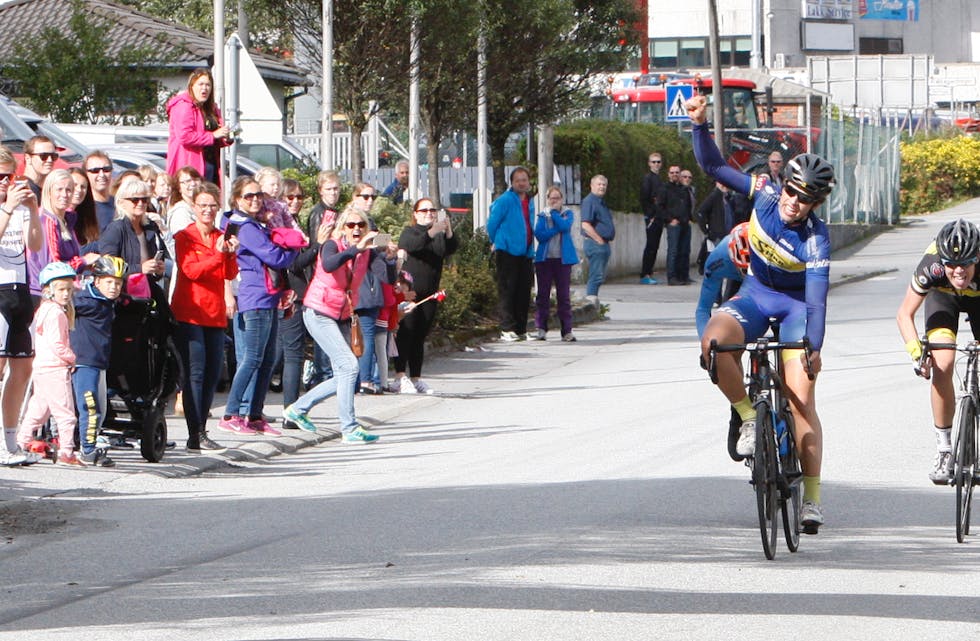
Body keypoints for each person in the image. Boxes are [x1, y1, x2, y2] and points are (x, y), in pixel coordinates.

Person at [688, 93, 835, 533]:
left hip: (795, 309)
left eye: (805, 198)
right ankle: (749, 417)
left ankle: (812, 499)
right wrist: (699, 124)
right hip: (754, 295)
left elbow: (816, 301)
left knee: (802, 398)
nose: (794, 202)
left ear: (815, 204)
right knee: (715, 343)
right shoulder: (766, 195)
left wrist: (813, 347)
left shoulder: (816, 239)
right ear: (782, 185)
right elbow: (714, 167)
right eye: (792, 191)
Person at [282, 207, 394, 443]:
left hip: (341, 314)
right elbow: (330, 264)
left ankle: (298, 409)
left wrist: (392, 258)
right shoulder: (332, 245)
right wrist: (356, 249)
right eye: (351, 225)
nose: (356, 229)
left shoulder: (368, 253)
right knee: (350, 367)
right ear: (342, 228)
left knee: (346, 373)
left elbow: (388, 278)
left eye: (361, 225)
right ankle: (349, 428)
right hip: (319, 311)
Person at [896, 219, 980, 485]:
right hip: (943, 299)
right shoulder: (931, 266)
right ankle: (944, 449)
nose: (959, 271)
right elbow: (904, 314)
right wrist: (917, 353)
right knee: (943, 364)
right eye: (951, 264)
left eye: (966, 263)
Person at [219, 177, 298, 436]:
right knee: (252, 358)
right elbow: (273, 256)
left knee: (267, 359)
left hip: (269, 296)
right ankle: (231, 413)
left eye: (258, 195)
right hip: (254, 298)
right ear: (236, 199)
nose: (255, 200)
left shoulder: (255, 224)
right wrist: (296, 247)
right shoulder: (245, 227)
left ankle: (254, 415)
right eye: (248, 196)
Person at [172, 183, 239, 452]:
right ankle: (195, 432)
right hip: (189, 312)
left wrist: (230, 254)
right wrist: (219, 255)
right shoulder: (184, 237)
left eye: (212, 205)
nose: (208, 210)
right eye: (203, 205)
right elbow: (191, 271)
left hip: (214, 313)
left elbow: (229, 274)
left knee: (212, 375)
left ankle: (201, 431)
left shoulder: (220, 236)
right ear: (194, 207)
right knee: (195, 374)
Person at [0, 145, 42, 466]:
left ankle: (11, 441)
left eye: (9, 176)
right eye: (0, 176)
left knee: (22, 369)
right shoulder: (6, 207)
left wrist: (33, 211)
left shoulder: (19, 205)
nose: (5, 182)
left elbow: (35, 245)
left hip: (20, 290)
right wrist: (8, 209)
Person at [17, 262, 81, 465]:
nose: (66, 294)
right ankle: (67, 452)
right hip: (55, 368)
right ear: (50, 290)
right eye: (61, 289)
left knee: (38, 410)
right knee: (66, 414)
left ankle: (20, 443)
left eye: (69, 289)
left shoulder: (43, 309)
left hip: (41, 367)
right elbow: (57, 344)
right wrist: (72, 358)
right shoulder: (57, 313)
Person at [394, 197, 458, 394]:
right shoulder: (410, 232)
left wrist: (447, 230)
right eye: (424, 210)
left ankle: (416, 377)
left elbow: (450, 249)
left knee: (420, 335)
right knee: (406, 333)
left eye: (432, 210)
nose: (429, 213)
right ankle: (399, 375)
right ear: (415, 214)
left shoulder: (438, 235)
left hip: (430, 293)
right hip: (410, 293)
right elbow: (413, 245)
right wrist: (433, 231)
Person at [71, 255, 127, 467]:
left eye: (118, 283)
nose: (114, 287)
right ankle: (87, 450)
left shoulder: (107, 302)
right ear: (96, 281)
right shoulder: (85, 300)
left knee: (99, 409)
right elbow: (65, 304)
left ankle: (85, 444)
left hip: (99, 363)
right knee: (90, 407)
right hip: (84, 363)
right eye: (109, 282)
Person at [28, 169, 97, 304]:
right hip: (44, 294)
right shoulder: (47, 221)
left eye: (68, 190)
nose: (64, 195)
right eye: (59, 190)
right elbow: (52, 267)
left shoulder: (66, 220)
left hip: (62, 292)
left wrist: (87, 266)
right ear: (49, 192)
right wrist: (83, 261)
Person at [487, 167, 535, 341]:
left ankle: (521, 329)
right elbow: (492, 224)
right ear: (512, 183)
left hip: (526, 252)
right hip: (507, 251)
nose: (521, 183)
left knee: (523, 291)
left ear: (528, 182)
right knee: (507, 290)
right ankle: (507, 328)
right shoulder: (505, 200)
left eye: (524, 180)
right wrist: (498, 241)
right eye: (518, 180)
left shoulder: (529, 201)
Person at [166, 68, 232, 184]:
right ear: (191, 86)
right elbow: (184, 137)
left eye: (208, 85)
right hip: (190, 165)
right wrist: (213, 136)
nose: (204, 88)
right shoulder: (183, 106)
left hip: (210, 163)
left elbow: (215, 137)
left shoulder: (211, 108)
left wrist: (226, 137)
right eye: (200, 84)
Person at [99, 177, 167, 289]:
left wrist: (157, 270)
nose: (140, 203)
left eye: (144, 199)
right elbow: (108, 266)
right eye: (135, 200)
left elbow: (156, 264)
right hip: (123, 292)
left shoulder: (150, 227)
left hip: (146, 289)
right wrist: (140, 269)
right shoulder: (115, 229)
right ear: (121, 202)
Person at [533, 186, 578, 342]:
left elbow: (565, 226)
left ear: (562, 200)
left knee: (563, 296)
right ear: (547, 199)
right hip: (544, 260)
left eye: (557, 198)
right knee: (543, 295)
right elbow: (540, 235)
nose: (554, 201)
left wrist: (554, 214)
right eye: (551, 198)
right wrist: (555, 229)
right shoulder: (542, 215)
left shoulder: (567, 214)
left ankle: (566, 331)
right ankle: (541, 328)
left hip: (563, 261)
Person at [695, 222, 748, 338]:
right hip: (731, 270)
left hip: (764, 272)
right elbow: (703, 309)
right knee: (729, 312)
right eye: (744, 269)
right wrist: (706, 340)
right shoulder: (716, 262)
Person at [580, 174, 614, 304]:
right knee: (596, 276)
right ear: (592, 185)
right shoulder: (589, 201)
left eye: (604, 185)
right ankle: (591, 303)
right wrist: (599, 240)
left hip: (603, 244)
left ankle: (593, 301)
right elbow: (585, 224)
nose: (602, 187)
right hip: (595, 244)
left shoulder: (600, 202)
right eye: (599, 184)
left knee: (599, 277)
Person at [664, 165, 693, 285]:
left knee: (684, 251)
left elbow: (688, 205)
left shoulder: (684, 189)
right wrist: (669, 220)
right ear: (668, 174)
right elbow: (660, 207)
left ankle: (683, 276)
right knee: (673, 251)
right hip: (674, 225)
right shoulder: (664, 188)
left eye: (677, 172)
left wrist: (689, 219)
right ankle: (672, 277)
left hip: (685, 224)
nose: (674, 174)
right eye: (672, 172)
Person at [694, 182, 731, 276]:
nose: (724, 185)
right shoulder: (714, 196)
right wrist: (706, 231)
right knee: (715, 260)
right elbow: (700, 213)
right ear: (716, 183)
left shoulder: (727, 197)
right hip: (716, 235)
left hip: (726, 235)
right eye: (721, 182)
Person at [640, 153, 665, 285]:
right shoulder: (648, 179)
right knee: (650, 246)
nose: (656, 164)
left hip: (659, 217)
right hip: (652, 218)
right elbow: (644, 198)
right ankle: (645, 274)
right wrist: (650, 216)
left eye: (658, 162)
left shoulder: (659, 179)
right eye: (654, 162)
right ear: (649, 163)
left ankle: (649, 272)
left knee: (655, 246)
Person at [84, 151, 116, 233]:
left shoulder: (120, 204)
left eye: (106, 170)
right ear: (85, 174)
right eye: (95, 170)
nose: (102, 175)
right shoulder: (83, 208)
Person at [22, 135, 59, 201]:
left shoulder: (50, 191)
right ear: (28, 158)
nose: (50, 160)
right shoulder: (23, 191)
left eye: (53, 156)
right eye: (43, 156)